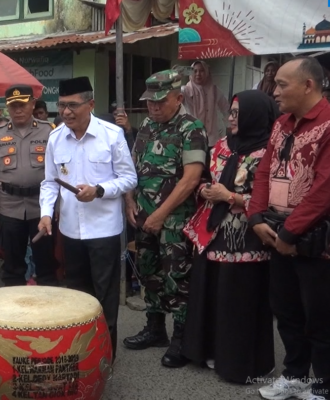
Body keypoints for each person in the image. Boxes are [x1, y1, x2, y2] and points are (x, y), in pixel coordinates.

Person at [181, 90, 279, 383]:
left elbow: (273, 200)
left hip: (248, 238)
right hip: (213, 233)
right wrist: (205, 191)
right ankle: (210, 352)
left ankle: (240, 363)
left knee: (238, 301)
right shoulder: (222, 145)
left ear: (254, 116)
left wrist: (233, 197)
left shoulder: (268, 152)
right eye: (231, 113)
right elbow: (203, 181)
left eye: (237, 113)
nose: (231, 118)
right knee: (211, 294)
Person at [248, 57, 330, 400]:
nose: (274, 90)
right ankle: (296, 375)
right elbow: (264, 172)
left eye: (282, 84)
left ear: (308, 85)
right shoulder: (281, 123)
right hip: (277, 234)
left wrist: (289, 233)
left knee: (321, 317)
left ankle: (324, 384)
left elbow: (325, 187)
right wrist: (255, 218)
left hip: (314, 240)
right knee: (286, 310)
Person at [39, 77, 138, 360]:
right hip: (70, 231)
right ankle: (83, 357)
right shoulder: (56, 138)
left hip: (104, 231)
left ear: (90, 104)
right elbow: (49, 182)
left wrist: (100, 191)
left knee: (105, 298)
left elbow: (129, 178)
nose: (66, 113)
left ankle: (106, 359)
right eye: (62, 106)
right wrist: (46, 214)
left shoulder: (111, 135)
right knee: (78, 297)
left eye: (73, 106)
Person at [123, 70, 207, 368]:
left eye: (160, 102)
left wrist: (160, 214)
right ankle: (155, 328)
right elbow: (131, 168)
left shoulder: (191, 128)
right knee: (149, 273)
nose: (153, 108)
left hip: (175, 221)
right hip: (144, 217)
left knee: (177, 278)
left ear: (179, 98)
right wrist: (130, 200)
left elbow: (191, 179)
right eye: (150, 102)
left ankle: (181, 339)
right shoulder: (146, 125)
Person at [0, 85, 58, 287]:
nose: (18, 110)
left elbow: (60, 171)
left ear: (33, 104)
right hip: (9, 207)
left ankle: (46, 311)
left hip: (41, 208)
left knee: (45, 263)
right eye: (13, 106)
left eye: (22, 104)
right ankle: (14, 312)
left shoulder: (49, 132)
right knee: (12, 265)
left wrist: (58, 207)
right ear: (7, 108)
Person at [182, 61, 228, 147]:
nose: (198, 74)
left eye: (201, 70)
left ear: (206, 72)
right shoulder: (186, 90)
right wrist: (176, 77)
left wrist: (229, 126)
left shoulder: (214, 90)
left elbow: (226, 108)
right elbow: (172, 96)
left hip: (212, 139)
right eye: (195, 71)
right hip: (192, 137)